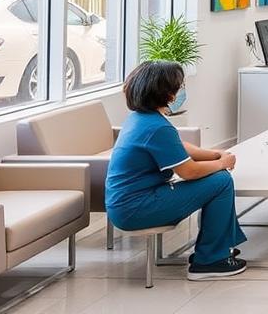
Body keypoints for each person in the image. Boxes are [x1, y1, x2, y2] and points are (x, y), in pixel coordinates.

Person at [105, 61, 248, 280]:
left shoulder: (141, 118)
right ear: (167, 93)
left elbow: (179, 147)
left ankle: (217, 247)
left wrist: (216, 154)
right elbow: (188, 172)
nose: (181, 91)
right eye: (179, 87)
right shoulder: (156, 126)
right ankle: (209, 261)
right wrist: (222, 164)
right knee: (221, 181)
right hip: (136, 208)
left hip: (127, 204)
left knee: (218, 178)